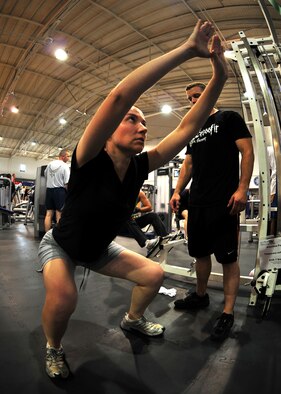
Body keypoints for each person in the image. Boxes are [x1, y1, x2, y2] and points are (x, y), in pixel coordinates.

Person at [37, 20, 228, 379]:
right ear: (109, 131)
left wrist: (220, 76)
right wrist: (188, 49)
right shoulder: (89, 157)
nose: (142, 127)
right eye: (132, 120)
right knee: (64, 298)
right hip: (62, 245)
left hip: (97, 249)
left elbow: (187, 127)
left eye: (144, 123)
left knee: (153, 273)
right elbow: (119, 97)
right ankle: (53, 347)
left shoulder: (141, 166)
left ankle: (133, 320)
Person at [170, 80, 254, 341]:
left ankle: (228, 312)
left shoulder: (228, 117)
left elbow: (247, 151)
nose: (194, 101)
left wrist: (242, 189)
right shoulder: (193, 128)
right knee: (200, 253)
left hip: (224, 201)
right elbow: (189, 164)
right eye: (190, 98)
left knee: (227, 259)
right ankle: (201, 295)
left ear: (208, 94)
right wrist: (176, 191)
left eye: (198, 95)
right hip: (197, 202)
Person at [44, 149, 71, 232]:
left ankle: (46, 235)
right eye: (68, 156)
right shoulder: (65, 166)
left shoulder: (50, 164)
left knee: (48, 214)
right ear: (63, 156)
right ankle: (59, 236)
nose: (69, 158)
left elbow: (45, 175)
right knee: (59, 214)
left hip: (49, 190)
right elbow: (66, 183)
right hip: (59, 191)